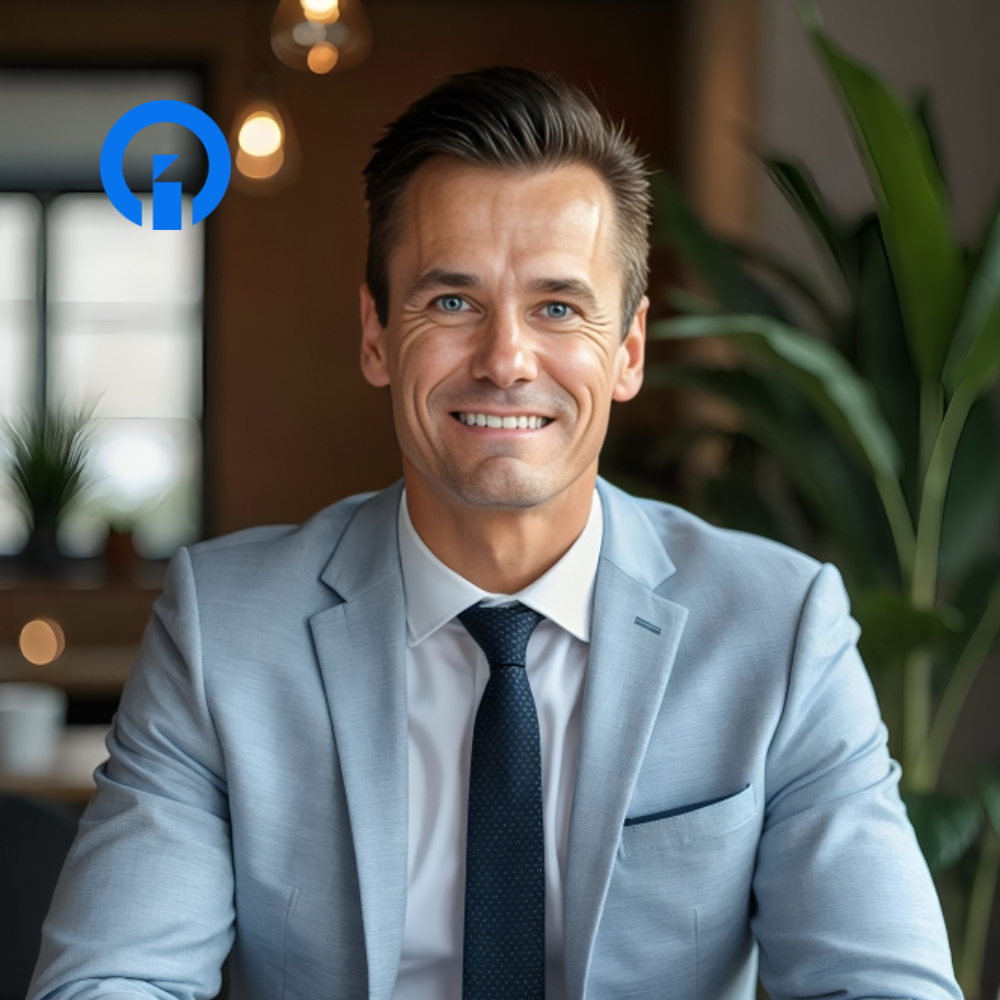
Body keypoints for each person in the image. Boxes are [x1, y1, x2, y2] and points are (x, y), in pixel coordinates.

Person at [30, 67, 961, 1000]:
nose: (505, 360)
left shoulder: (781, 629)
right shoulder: (222, 628)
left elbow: (886, 984)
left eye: (557, 307)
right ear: (375, 336)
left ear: (629, 350)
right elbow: (111, 979)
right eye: (451, 303)